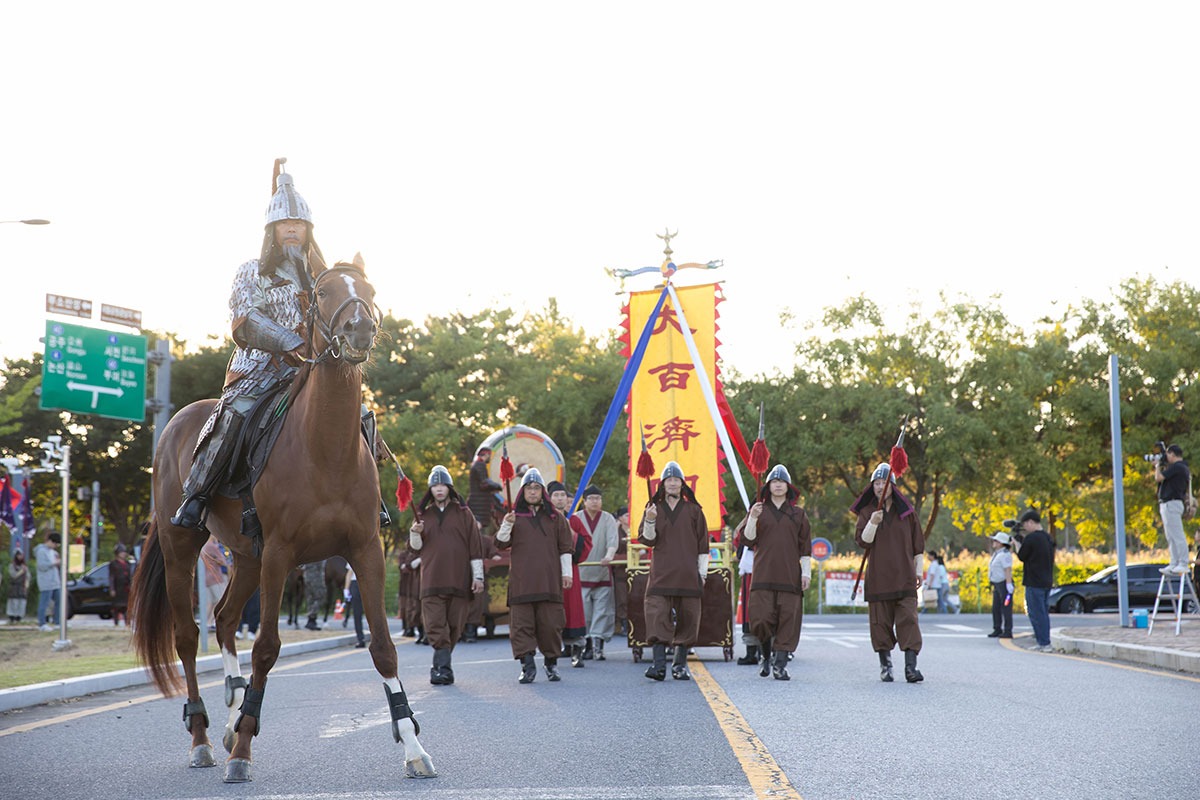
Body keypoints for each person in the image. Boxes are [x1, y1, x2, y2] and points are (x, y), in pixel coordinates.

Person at [170, 159, 328, 532]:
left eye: (299, 224)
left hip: (315, 369)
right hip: (261, 369)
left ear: (308, 231)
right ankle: (197, 495)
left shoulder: (323, 277)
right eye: (285, 224)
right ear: (272, 231)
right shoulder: (251, 270)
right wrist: (287, 339)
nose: (292, 229)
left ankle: (369, 500)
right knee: (235, 412)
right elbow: (246, 318)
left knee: (359, 413)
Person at [408, 466, 485, 685]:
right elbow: (415, 548)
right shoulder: (422, 516)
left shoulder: (463, 513)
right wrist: (415, 532)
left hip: (458, 580)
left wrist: (477, 577)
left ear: (449, 488)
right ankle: (441, 668)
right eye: (435, 486)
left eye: (442, 485)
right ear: (430, 489)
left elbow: (475, 547)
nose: (439, 489)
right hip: (431, 581)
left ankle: (442, 666)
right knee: (434, 625)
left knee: (454, 627)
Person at [495, 469, 574, 684]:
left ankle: (551, 664)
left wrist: (567, 573)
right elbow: (500, 543)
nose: (532, 492)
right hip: (522, 583)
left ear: (542, 491)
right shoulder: (514, 517)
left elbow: (566, 548)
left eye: (536, 488)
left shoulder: (555, 518)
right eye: (528, 488)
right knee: (522, 626)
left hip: (549, 581)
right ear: (523, 491)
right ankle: (527, 666)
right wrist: (507, 524)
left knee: (550, 625)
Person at [852, 463, 925, 683]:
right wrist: (873, 523)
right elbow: (863, 541)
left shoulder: (908, 514)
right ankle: (885, 665)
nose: (880, 486)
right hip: (878, 577)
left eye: (884, 483)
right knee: (880, 624)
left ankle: (911, 668)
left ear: (892, 485)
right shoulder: (867, 512)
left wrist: (918, 571)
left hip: (904, 576)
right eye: (876, 483)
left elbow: (917, 546)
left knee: (909, 621)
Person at [640, 461, 710, 682]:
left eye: (676, 479)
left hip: (688, 574)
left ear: (682, 484)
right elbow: (648, 540)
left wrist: (702, 573)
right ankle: (659, 665)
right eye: (668, 480)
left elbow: (703, 546)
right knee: (657, 615)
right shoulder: (653, 509)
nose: (672, 483)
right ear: (662, 484)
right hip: (661, 573)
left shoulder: (694, 511)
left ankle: (679, 666)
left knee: (689, 618)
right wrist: (650, 520)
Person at [743, 464, 812, 681]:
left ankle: (780, 664)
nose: (778, 485)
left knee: (787, 621)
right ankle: (765, 655)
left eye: (782, 482)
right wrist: (752, 518)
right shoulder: (758, 510)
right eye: (774, 481)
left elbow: (805, 548)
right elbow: (748, 539)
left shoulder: (798, 514)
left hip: (790, 576)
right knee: (761, 620)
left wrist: (806, 573)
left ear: (788, 486)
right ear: (769, 486)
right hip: (763, 575)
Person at [574, 484, 620, 661]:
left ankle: (598, 645)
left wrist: (609, 556)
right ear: (584, 502)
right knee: (584, 611)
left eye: (598, 498)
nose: (595, 502)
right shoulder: (577, 518)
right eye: (591, 499)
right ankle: (585, 644)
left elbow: (612, 541)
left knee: (603, 610)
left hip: (602, 570)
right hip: (582, 571)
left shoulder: (608, 518)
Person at [548, 480, 590, 667]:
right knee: (550, 612)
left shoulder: (573, 520)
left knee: (572, 609)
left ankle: (577, 651)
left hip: (569, 570)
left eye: (562, 495)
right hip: (548, 570)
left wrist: (570, 532)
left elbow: (586, 543)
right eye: (555, 495)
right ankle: (554, 651)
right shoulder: (543, 518)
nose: (559, 498)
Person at [1012, 508, 1054, 652]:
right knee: (1043, 612)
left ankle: (1044, 642)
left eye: (1025, 525)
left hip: (1034, 581)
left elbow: (1022, 556)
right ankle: (1043, 641)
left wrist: (1017, 545)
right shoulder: (1048, 537)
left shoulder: (1031, 538)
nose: (1024, 528)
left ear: (1030, 522)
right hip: (1047, 580)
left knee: (1035, 613)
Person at [1154, 444, 1193, 576]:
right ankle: (1174, 562)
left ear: (1172, 454)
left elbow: (1158, 478)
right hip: (1168, 503)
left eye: (1168, 454)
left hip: (1172, 503)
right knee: (1170, 536)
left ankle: (1182, 562)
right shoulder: (1180, 468)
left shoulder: (1178, 467)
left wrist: (1157, 466)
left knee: (1177, 534)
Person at [467, 447, 503, 534]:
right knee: (479, 528)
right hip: (480, 503)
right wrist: (497, 486)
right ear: (486, 454)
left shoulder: (476, 464)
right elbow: (484, 483)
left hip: (478, 502)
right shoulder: (480, 465)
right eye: (489, 455)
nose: (490, 457)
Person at [987, 532, 1014, 639]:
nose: (994, 542)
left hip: (1004, 583)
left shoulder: (1005, 554)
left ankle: (1008, 630)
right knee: (996, 607)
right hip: (997, 584)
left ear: (1002, 543)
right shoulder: (997, 554)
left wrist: (1008, 584)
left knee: (1006, 608)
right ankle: (997, 628)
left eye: (996, 541)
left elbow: (1007, 569)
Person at [201, 537, 231, 628]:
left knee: (210, 602)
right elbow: (223, 561)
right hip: (215, 577)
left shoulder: (203, 547)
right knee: (221, 600)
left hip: (205, 578)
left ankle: (206, 622)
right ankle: (214, 621)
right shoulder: (213, 546)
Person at [34, 532, 62, 631]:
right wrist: (54, 563)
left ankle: (58, 621)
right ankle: (42, 623)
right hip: (46, 581)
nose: (55, 546)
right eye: (55, 544)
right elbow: (42, 566)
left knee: (60, 601)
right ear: (50, 541)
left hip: (55, 581)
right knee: (44, 602)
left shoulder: (52, 552)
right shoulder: (41, 551)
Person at [612, 506, 631, 637]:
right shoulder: (615, 532)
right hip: (619, 570)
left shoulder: (636, 530)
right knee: (621, 598)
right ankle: (623, 623)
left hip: (635, 569)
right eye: (626, 515)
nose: (628, 518)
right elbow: (612, 551)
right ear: (620, 518)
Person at [108, 543, 132, 627]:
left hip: (126, 587)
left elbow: (130, 575)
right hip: (118, 587)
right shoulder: (113, 564)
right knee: (117, 606)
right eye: (121, 552)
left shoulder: (127, 563)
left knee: (127, 606)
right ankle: (116, 622)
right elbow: (111, 577)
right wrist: (112, 588)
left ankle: (127, 623)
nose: (123, 554)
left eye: (124, 552)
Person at [7, 548, 30, 623]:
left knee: (22, 602)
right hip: (14, 586)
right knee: (13, 601)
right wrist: (21, 571)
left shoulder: (25, 566)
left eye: (21, 555)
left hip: (22, 586)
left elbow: (28, 576)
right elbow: (13, 575)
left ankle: (19, 616)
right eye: (18, 555)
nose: (20, 557)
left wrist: (26, 585)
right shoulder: (12, 566)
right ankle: (12, 616)